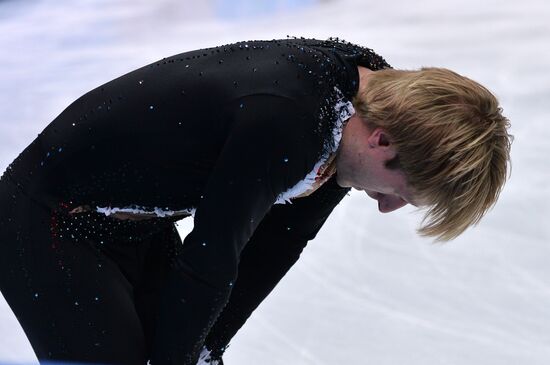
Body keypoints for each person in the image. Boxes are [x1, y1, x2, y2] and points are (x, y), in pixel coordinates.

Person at [0, 36, 512, 365]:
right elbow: (212, 255)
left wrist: (206, 349)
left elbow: (273, 247)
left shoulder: (366, 106)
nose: (385, 206)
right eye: (400, 192)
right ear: (383, 142)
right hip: (49, 221)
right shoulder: (290, 120)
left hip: (130, 228)